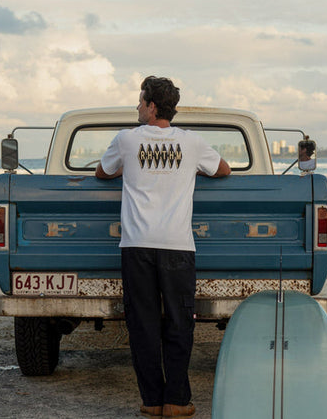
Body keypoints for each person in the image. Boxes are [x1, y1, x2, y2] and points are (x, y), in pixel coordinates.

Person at [95, 76, 231, 418]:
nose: (137, 106)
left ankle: (152, 401)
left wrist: (130, 169)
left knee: (142, 325)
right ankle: (177, 401)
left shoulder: (127, 140)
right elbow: (223, 170)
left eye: (141, 101)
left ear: (152, 106)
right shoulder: (192, 142)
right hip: (177, 246)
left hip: (137, 244)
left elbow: (102, 172)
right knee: (179, 322)